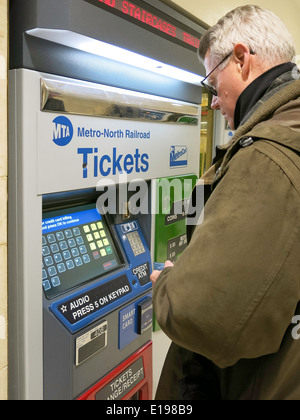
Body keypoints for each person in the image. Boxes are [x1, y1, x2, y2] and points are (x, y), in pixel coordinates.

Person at [151, 5, 300, 400]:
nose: (214, 102)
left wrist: (166, 286)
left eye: (214, 85)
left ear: (242, 58)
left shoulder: (267, 154)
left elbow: (205, 316)